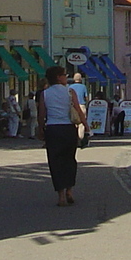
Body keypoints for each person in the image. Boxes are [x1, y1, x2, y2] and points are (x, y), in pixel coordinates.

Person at [39, 66, 85, 207]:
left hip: (53, 129)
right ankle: (69, 190)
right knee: (69, 160)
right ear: (58, 77)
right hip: (68, 129)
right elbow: (77, 109)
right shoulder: (70, 92)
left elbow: (42, 114)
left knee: (55, 162)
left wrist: (41, 129)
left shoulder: (45, 94)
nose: (66, 77)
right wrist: (85, 125)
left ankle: (61, 196)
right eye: (64, 75)